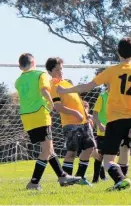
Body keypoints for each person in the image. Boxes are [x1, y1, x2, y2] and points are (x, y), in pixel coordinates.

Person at [56, 37, 131, 191]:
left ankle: (121, 180)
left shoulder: (111, 71)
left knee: (107, 161)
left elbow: (86, 87)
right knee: (125, 149)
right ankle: (122, 180)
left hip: (115, 121)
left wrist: (65, 90)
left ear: (117, 53)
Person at [15, 53, 82, 190]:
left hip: (26, 117)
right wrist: (51, 104)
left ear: (20, 66)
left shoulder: (18, 81)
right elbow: (45, 90)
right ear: (34, 62)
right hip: (40, 114)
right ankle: (33, 182)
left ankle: (63, 176)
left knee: (49, 149)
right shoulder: (41, 75)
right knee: (46, 151)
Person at [46, 57, 96, 186]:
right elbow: (57, 107)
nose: (60, 72)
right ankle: (65, 181)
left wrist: (86, 114)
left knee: (90, 148)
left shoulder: (67, 84)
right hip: (70, 124)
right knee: (72, 152)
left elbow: (78, 101)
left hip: (83, 122)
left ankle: (80, 177)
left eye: (61, 69)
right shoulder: (53, 86)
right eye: (57, 70)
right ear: (50, 72)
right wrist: (75, 113)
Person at [91, 84, 109, 183]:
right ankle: (95, 179)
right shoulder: (102, 97)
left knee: (110, 156)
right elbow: (95, 113)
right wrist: (100, 124)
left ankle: (115, 177)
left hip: (114, 131)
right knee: (99, 156)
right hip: (102, 132)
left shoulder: (119, 97)